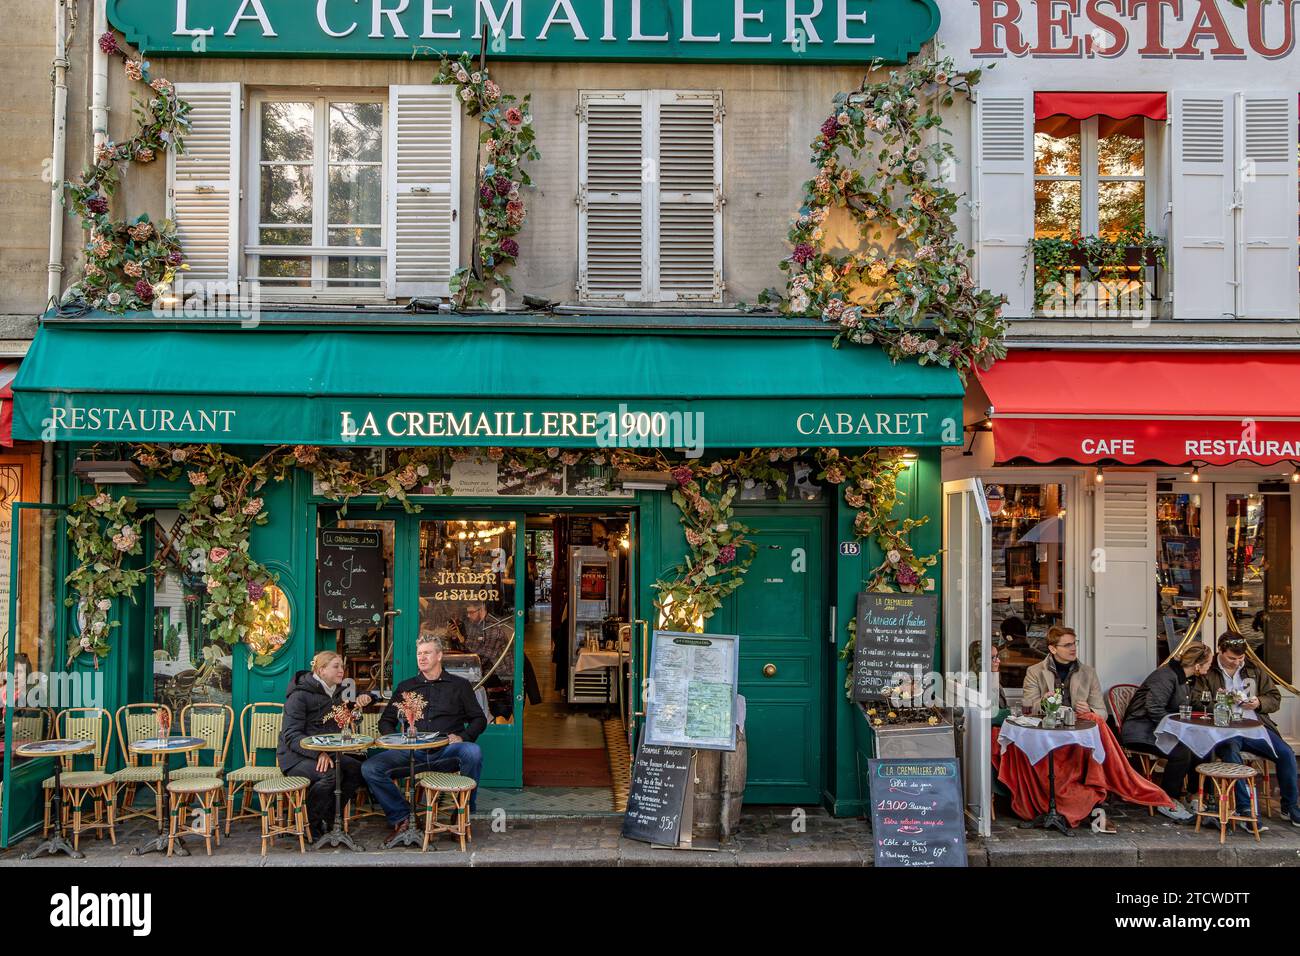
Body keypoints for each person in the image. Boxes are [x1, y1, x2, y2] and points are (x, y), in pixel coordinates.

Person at [360, 634, 486, 839]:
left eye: (427, 653)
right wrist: (396, 740)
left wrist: (462, 737)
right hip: (412, 753)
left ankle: (463, 813)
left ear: (439, 656)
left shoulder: (459, 685)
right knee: (370, 768)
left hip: (446, 751)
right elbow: (386, 721)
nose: (422, 657)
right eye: (419, 653)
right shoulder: (406, 687)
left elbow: (478, 719)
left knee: (473, 752)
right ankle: (403, 817)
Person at [1195, 632, 1300, 826]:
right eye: (1231, 658)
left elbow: (1274, 698)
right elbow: (1196, 700)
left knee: (1286, 753)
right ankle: (1244, 809)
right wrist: (1222, 701)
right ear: (1220, 651)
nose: (1236, 662)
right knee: (1232, 753)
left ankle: (1290, 806)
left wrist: (1259, 702)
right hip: (1224, 729)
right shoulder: (1209, 670)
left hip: (1255, 727)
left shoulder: (1253, 668)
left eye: (1240, 658)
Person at [277, 651, 373, 839]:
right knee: (330, 774)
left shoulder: (339, 689)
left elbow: (362, 696)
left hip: (328, 752)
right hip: (296, 757)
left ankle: (330, 817)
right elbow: (291, 735)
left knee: (356, 769)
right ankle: (308, 824)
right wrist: (317, 753)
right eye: (336, 666)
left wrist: (367, 697)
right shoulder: (299, 696)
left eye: (342, 666)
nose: (341, 670)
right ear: (321, 670)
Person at [1121, 644, 1214, 822]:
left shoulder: (1184, 678)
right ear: (1197, 665)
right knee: (1181, 752)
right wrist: (1177, 731)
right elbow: (1153, 708)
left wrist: (1220, 706)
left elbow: (1192, 704)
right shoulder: (1165, 675)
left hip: (1160, 728)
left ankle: (1193, 795)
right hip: (1140, 729)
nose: (1210, 666)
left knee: (1202, 746)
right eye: (1208, 662)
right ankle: (1168, 799)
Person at [1021, 625, 1107, 721]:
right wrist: (1043, 703)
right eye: (1067, 645)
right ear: (1053, 649)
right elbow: (1028, 708)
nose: (1073, 648)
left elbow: (1103, 713)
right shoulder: (1034, 672)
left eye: (1074, 643)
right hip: (1047, 728)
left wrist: (1089, 710)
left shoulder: (1089, 673)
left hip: (1077, 730)